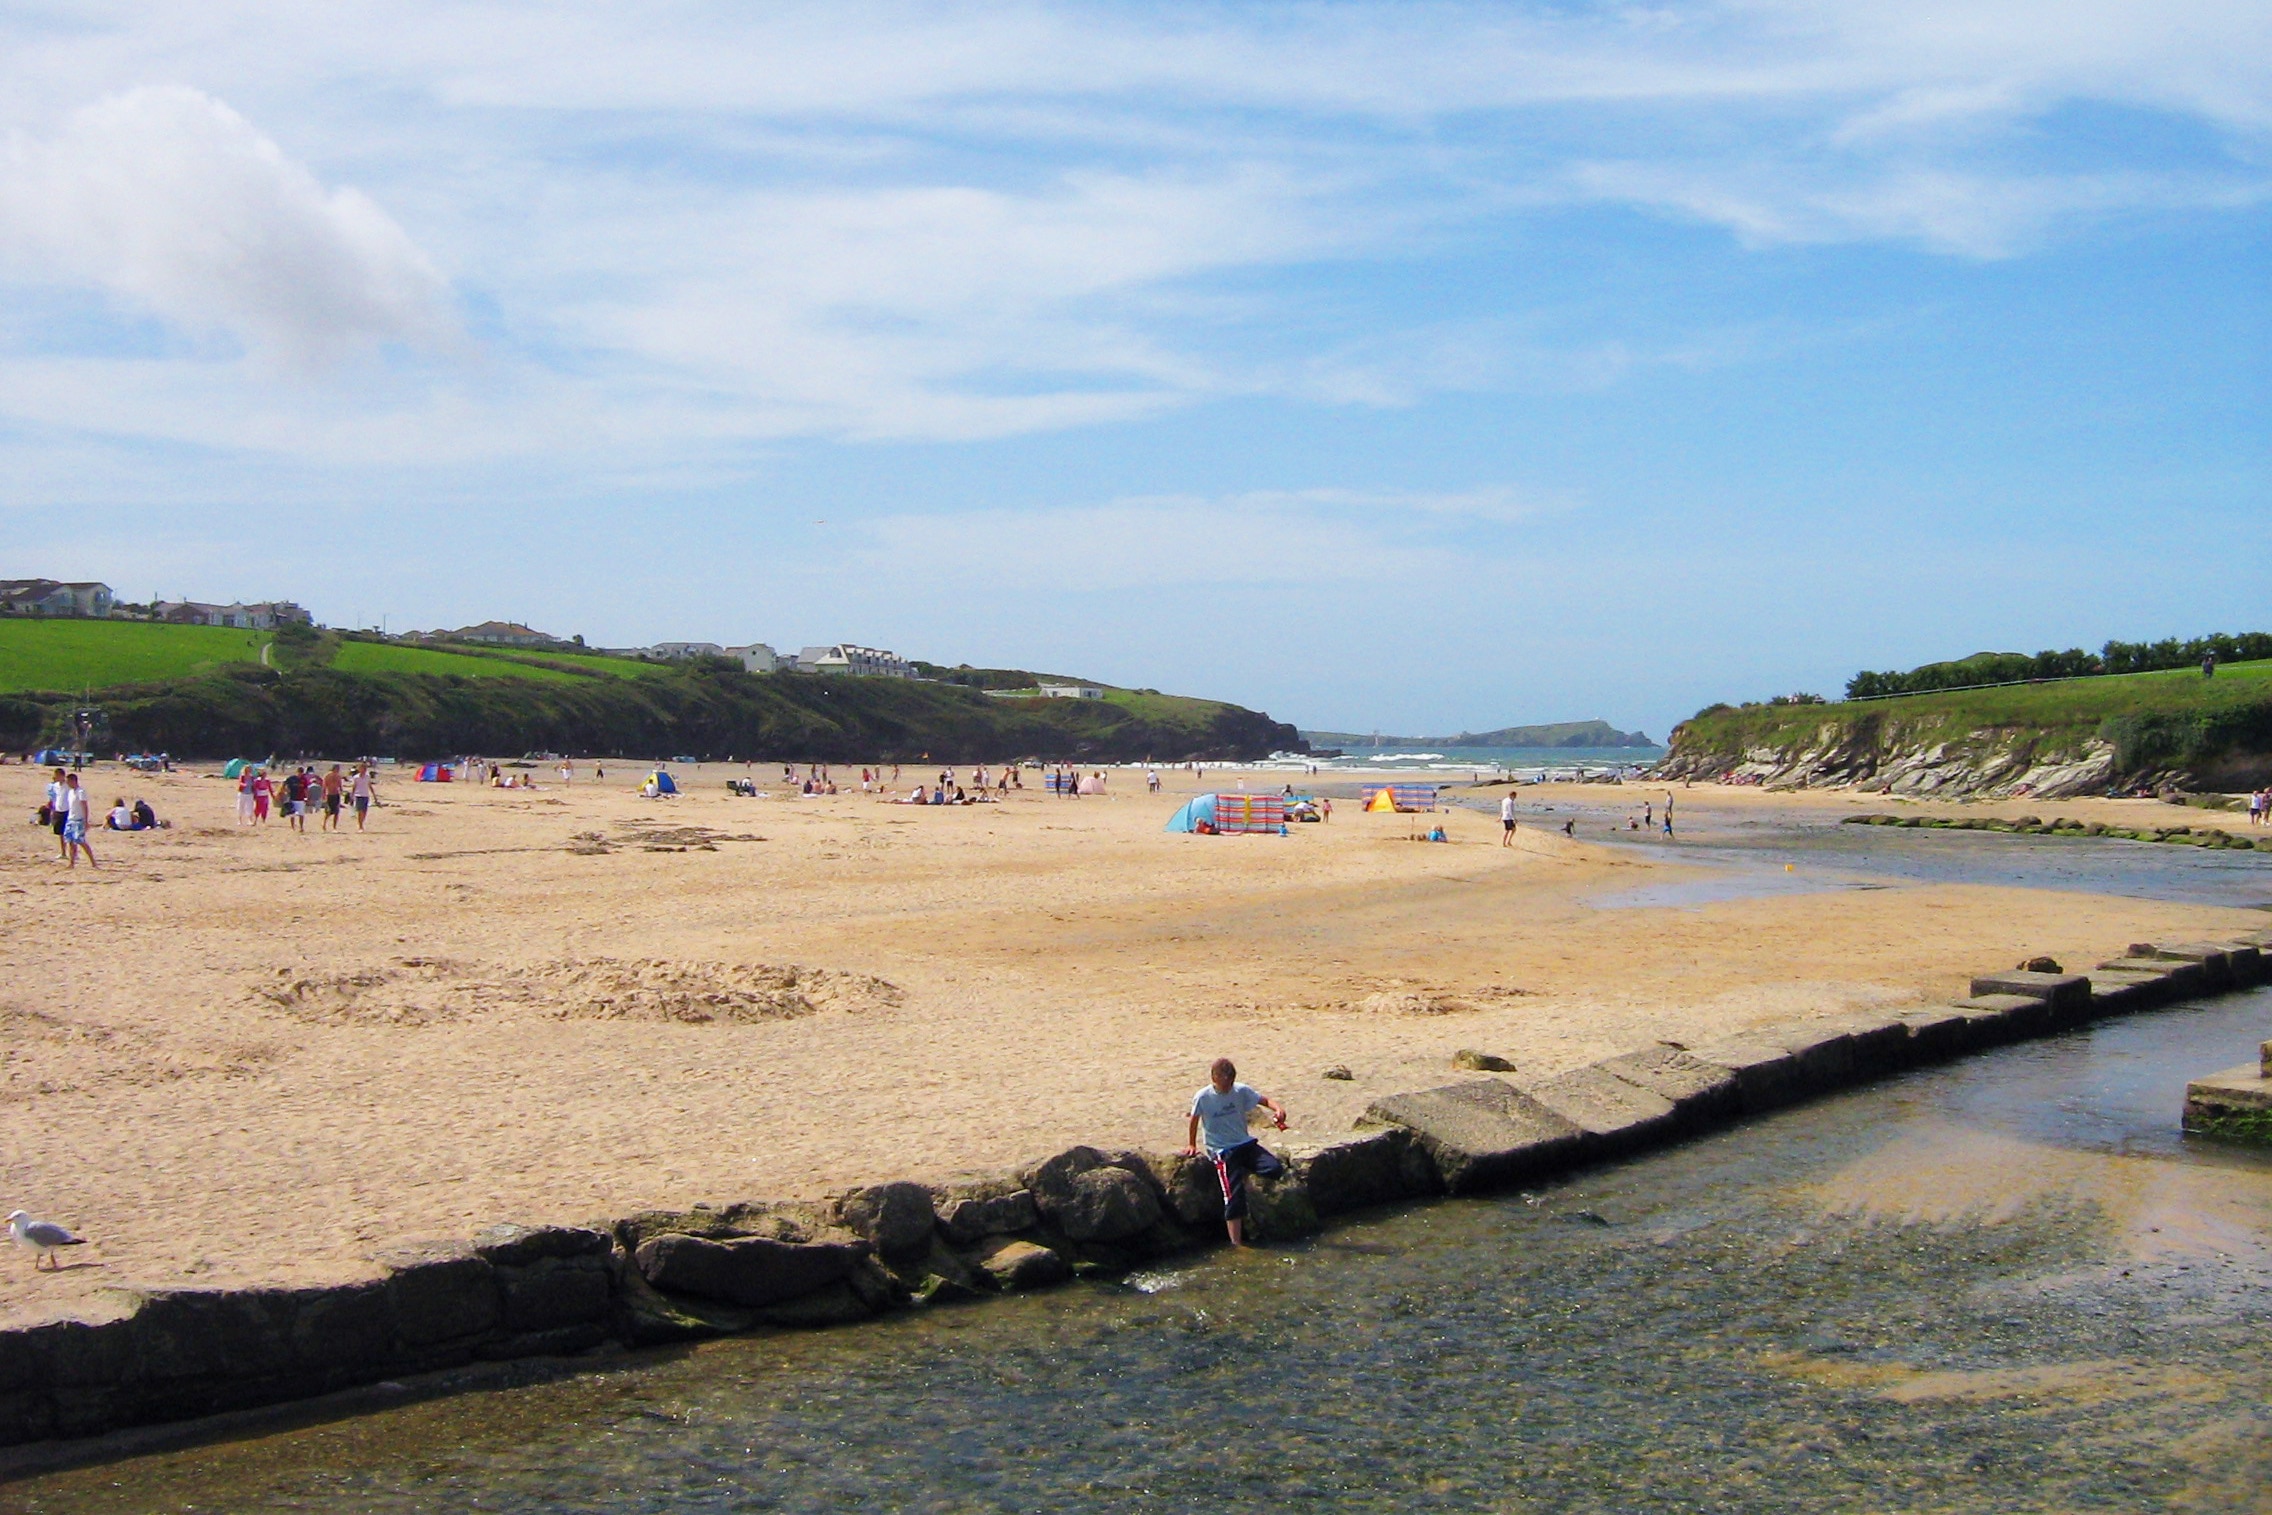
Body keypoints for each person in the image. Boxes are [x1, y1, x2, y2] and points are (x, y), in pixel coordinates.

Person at [1182, 1058, 1288, 1248]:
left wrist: (1278, 1109)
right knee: (1233, 1197)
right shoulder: (1203, 1097)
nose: (1228, 1086)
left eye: (1231, 1081)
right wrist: (1191, 1144)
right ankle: (1237, 1244)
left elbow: (1264, 1100)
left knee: (1275, 1169)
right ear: (1214, 1078)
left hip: (1244, 1144)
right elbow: (1194, 1119)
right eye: (1225, 1082)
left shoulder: (1240, 1090)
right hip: (1222, 1150)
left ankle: (1244, 1176)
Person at [60, 773, 96, 869]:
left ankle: (93, 862)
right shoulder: (71, 792)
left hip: (79, 820)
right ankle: (72, 863)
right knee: (70, 841)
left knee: (81, 841)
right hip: (71, 819)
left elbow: (85, 806)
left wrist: (85, 821)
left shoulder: (81, 792)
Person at [45, 767, 70, 860]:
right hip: (58, 810)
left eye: (57, 776)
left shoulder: (68, 785)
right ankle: (63, 852)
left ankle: (72, 853)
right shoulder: (55, 786)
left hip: (68, 810)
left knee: (69, 833)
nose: (55, 777)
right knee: (60, 833)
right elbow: (54, 797)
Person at [350, 763, 374, 830]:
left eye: (365, 768)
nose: (364, 770)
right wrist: (352, 795)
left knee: (364, 812)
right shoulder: (356, 777)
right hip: (358, 795)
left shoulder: (367, 777)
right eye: (362, 768)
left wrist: (374, 795)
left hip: (365, 795)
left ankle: (361, 823)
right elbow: (354, 787)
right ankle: (360, 826)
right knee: (360, 811)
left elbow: (370, 786)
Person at [321, 764, 344, 831]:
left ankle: (334, 827)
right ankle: (324, 824)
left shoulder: (338, 776)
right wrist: (324, 795)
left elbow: (340, 786)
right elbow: (324, 786)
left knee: (336, 812)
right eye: (337, 768)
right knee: (329, 811)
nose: (338, 770)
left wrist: (342, 792)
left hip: (336, 795)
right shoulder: (327, 776)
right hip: (330, 795)